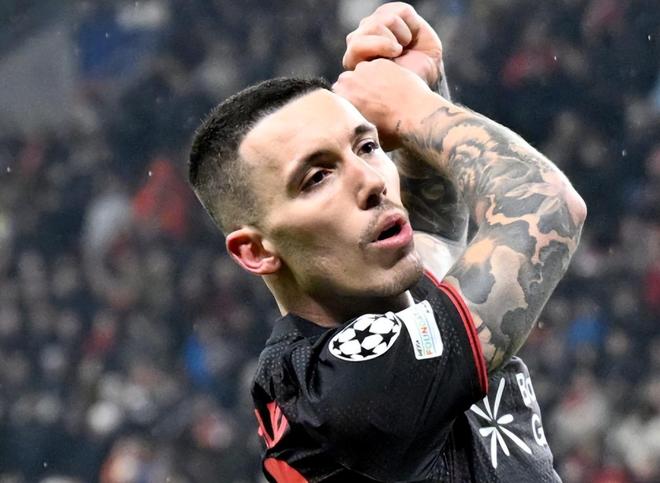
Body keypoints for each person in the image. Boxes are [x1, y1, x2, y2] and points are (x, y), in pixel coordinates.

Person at [187, 3, 586, 481]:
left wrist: (421, 84)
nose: (373, 180)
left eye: (367, 146)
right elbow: (547, 207)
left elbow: (435, 236)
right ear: (256, 251)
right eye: (317, 177)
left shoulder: (381, 299)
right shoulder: (341, 391)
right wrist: (414, 109)